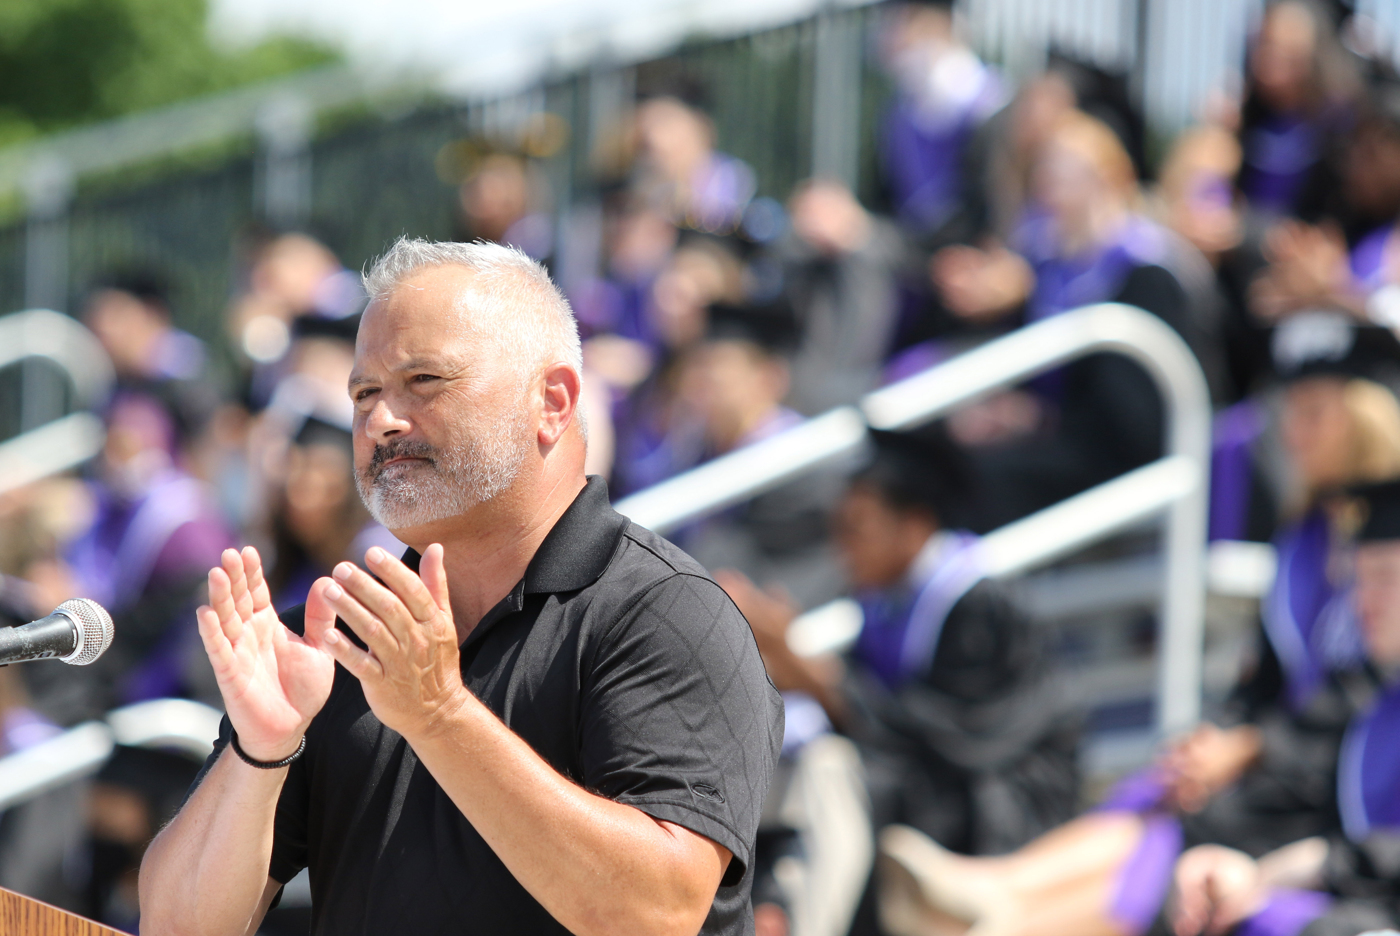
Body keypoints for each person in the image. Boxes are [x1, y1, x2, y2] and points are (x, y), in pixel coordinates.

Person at [138, 237, 783, 935]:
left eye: (424, 382)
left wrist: (439, 715)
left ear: (553, 402)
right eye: (364, 394)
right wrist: (260, 749)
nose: (380, 421)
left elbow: (657, 914)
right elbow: (177, 926)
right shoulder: (333, 640)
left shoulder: (667, 613)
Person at [870, 321, 1400, 936]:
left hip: (1323, 782)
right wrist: (1222, 734)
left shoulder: (1385, 540)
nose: (1292, 432)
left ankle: (1004, 909)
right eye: (1291, 412)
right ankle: (1004, 891)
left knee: (1194, 828)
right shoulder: (1302, 537)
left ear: (1368, 419)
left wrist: (1251, 748)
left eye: (1315, 414)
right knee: (1164, 790)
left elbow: (1362, 691)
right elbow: (1267, 679)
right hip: (1287, 765)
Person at [1170, 478, 1400, 936]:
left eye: (1386, 578)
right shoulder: (1374, 713)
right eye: (1359, 579)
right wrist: (1250, 876)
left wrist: (1307, 868)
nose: (1364, 602)